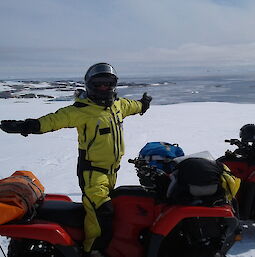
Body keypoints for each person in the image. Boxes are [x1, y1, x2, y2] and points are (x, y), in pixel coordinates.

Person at [0, 63, 152, 257]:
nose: (104, 88)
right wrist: (28, 126)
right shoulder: (81, 110)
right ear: (90, 85)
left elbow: (133, 106)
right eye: (99, 84)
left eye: (108, 83)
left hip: (112, 172)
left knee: (116, 209)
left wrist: (143, 104)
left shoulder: (118, 105)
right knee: (101, 214)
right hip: (93, 174)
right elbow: (54, 120)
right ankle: (92, 251)